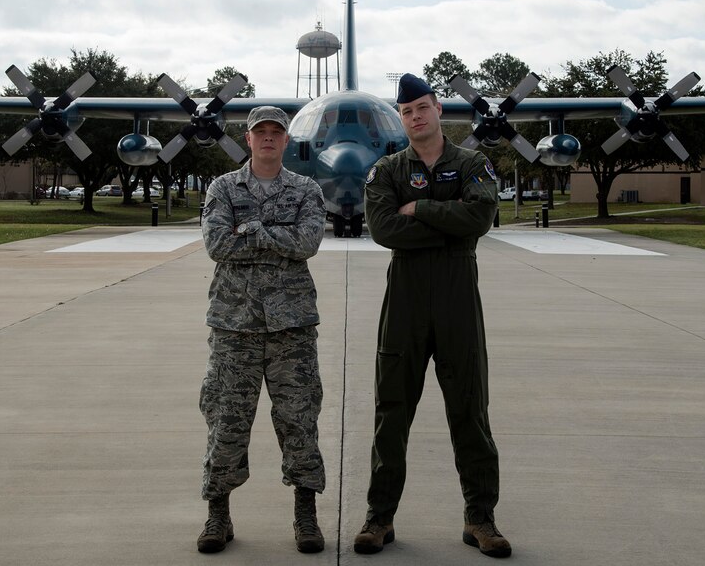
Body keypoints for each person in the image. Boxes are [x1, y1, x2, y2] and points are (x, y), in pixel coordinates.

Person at [353, 74, 511, 558]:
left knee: (470, 409)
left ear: (438, 108)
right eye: (406, 111)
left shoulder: (473, 163)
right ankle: (379, 518)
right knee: (391, 411)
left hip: (457, 298)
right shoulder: (385, 170)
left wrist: (419, 207)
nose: (416, 116)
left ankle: (480, 518)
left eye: (422, 107)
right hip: (405, 300)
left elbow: (480, 219)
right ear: (400, 118)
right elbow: (383, 229)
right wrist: (450, 221)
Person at [197, 105, 327, 554]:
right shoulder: (223, 187)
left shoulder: (307, 189)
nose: (268, 138)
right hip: (236, 327)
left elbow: (308, 243)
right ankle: (218, 513)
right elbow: (217, 245)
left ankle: (305, 513)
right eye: (260, 132)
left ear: (286, 141)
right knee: (226, 420)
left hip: (292, 327)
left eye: (276, 132)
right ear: (248, 139)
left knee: (299, 419)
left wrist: (251, 230)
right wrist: (278, 237)